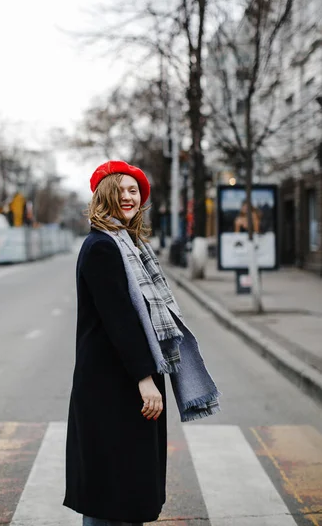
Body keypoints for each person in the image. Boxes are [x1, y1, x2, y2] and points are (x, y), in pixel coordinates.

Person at [63, 160, 220, 526]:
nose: (127, 197)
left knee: (124, 485)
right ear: (104, 197)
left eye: (133, 190)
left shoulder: (131, 246)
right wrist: (145, 379)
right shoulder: (103, 247)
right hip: (112, 382)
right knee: (112, 488)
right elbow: (120, 320)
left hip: (126, 374)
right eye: (118, 191)